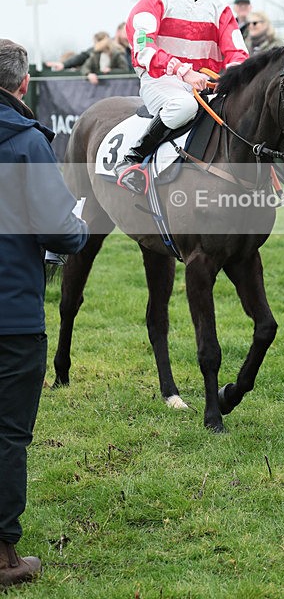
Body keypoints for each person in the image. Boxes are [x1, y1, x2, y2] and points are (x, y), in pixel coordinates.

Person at [0, 39, 89, 587]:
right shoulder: (28, 142)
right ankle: (3, 556)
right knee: (8, 434)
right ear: (24, 85)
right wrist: (77, 227)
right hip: (11, 315)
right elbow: (62, 231)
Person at [115, 0, 249, 193]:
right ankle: (133, 159)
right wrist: (182, 71)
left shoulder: (220, 6)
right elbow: (143, 48)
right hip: (162, 82)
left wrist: (231, 76)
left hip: (205, 87)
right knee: (184, 106)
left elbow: (238, 53)